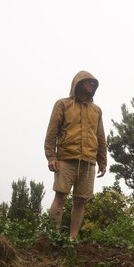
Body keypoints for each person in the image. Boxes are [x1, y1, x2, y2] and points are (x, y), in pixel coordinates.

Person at [44, 70, 107, 240]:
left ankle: (72, 240)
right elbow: (52, 132)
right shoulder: (62, 105)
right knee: (61, 197)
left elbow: (100, 136)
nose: (91, 85)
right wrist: (51, 156)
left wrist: (103, 161)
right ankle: (53, 237)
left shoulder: (96, 110)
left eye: (93, 83)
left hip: (88, 162)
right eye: (88, 82)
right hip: (66, 159)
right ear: (78, 84)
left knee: (80, 201)